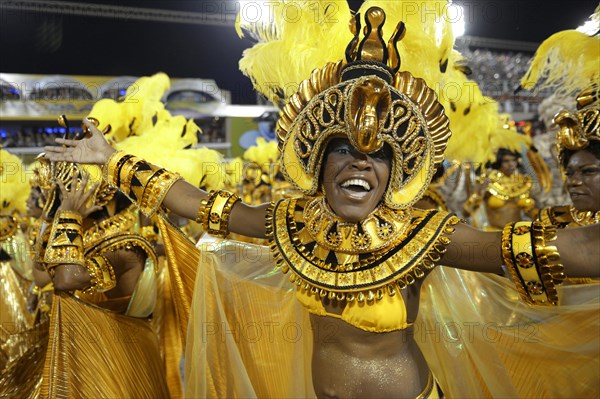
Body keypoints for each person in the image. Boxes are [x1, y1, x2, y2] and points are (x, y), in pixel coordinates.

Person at [43, 6, 599, 399]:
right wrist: (112, 160)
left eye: (379, 155)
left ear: (394, 172)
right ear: (317, 163)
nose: (362, 163)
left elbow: (548, 251)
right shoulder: (290, 223)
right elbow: (202, 205)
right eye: (345, 152)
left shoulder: (423, 235)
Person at [29, 157, 171, 398]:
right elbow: (42, 273)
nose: (59, 200)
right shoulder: (88, 241)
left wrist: (70, 216)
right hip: (93, 359)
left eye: (67, 193)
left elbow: (66, 279)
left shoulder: (127, 248)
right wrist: (56, 219)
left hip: (119, 362)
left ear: (96, 196)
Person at [463, 148, 538, 230]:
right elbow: (467, 212)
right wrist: (478, 195)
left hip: (518, 233)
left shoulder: (523, 182)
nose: (511, 164)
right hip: (493, 234)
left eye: (514, 160)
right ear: (498, 162)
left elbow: (531, 210)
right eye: (506, 161)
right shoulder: (488, 182)